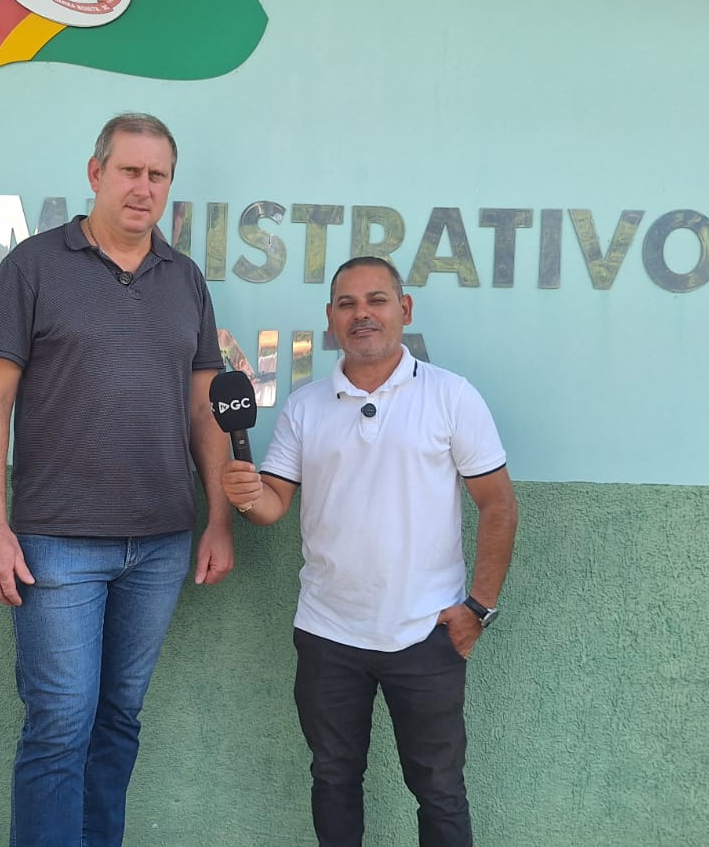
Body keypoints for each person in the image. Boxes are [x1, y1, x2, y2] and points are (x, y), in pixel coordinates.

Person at [0, 113, 235, 846]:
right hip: (56, 542)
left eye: (158, 175)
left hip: (160, 543)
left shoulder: (185, 280)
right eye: (129, 171)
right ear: (96, 173)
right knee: (59, 723)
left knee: (118, 718)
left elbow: (204, 408)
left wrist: (218, 519)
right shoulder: (34, 267)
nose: (143, 188)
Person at [221, 256, 518, 847]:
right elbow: (272, 504)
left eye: (376, 300)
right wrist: (246, 496)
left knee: (439, 789)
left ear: (403, 309)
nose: (363, 314)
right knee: (333, 778)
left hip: (426, 631)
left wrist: (478, 608)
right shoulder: (305, 407)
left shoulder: (451, 396)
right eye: (348, 304)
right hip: (328, 632)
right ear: (331, 319)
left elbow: (499, 505)